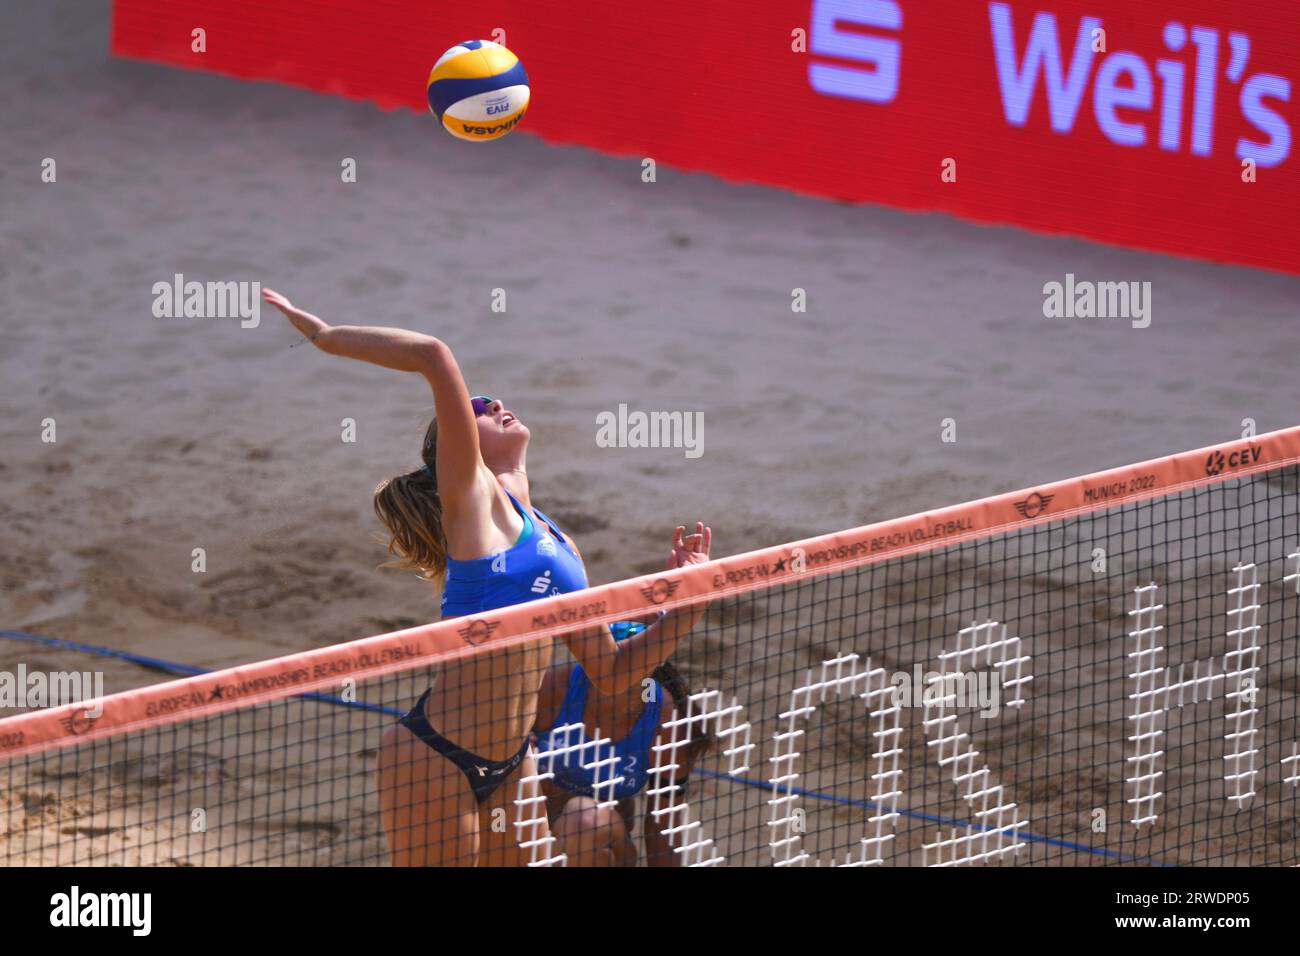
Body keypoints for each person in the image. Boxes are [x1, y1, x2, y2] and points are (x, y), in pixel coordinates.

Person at [262, 288, 712, 866]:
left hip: (512, 761)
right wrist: (326, 337)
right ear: (459, 447)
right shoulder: (472, 507)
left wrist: (689, 606)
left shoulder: (557, 543)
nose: (496, 401)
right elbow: (432, 353)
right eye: (478, 405)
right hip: (436, 754)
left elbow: (612, 673)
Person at [531, 620, 713, 866]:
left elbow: (663, 821)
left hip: (599, 847)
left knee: (584, 818)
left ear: (651, 666)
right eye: (610, 659)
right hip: (530, 834)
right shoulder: (553, 689)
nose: (617, 670)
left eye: (628, 662)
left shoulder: (668, 722)